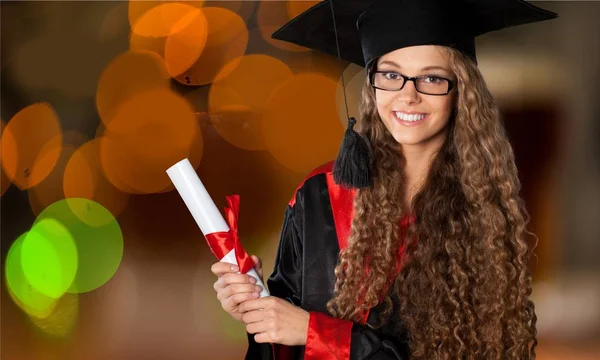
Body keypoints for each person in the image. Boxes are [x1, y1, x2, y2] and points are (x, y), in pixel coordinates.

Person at [211, 0, 558, 359]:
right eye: (391, 75)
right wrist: (255, 311)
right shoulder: (319, 196)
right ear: (371, 86)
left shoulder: (479, 211)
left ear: (461, 93)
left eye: (432, 78)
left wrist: (314, 332)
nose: (408, 95)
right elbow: (281, 342)